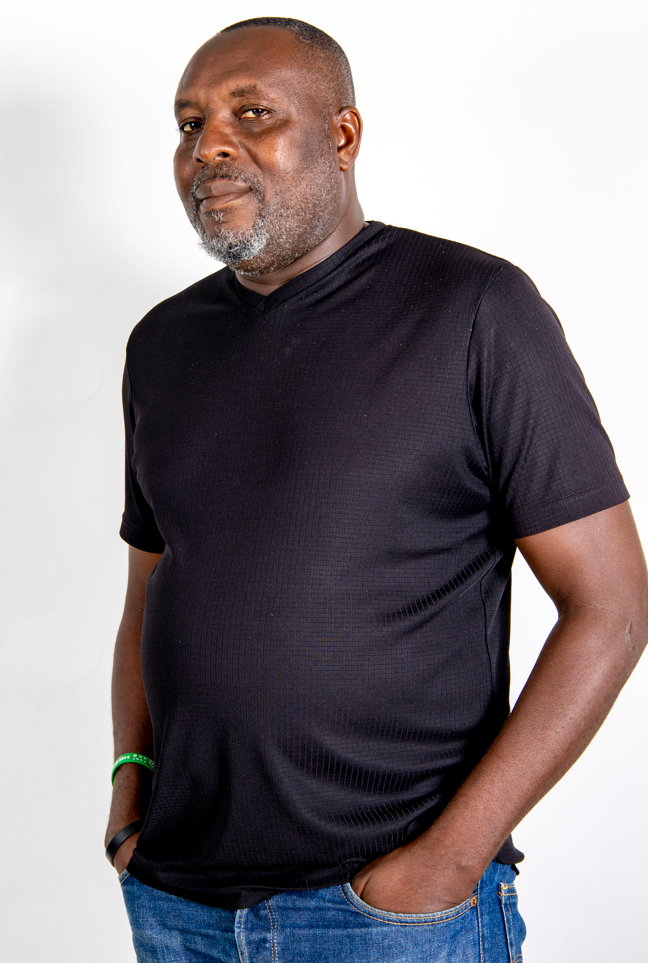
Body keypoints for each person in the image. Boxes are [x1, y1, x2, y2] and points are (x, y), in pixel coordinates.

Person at [104, 17, 648, 963]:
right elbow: (150, 591)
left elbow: (613, 605)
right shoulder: (160, 344)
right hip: (178, 905)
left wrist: (445, 862)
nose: (210, 145)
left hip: (387, 913)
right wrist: (128, 788)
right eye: (189, 124)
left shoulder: (475, 310)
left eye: (251, 113)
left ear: (343, 135)